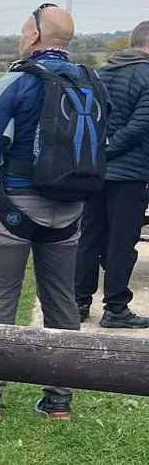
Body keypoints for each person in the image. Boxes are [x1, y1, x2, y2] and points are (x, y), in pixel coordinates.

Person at [0, 4, 95, 421]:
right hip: (70, 214)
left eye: (23, 30)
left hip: (16, 208)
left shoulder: (18, 80)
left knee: (0, 306)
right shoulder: (91, 82)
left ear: (35, 35)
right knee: (62, 305)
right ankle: (59, 400)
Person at [74, 20, 149, 329]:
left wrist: (100, 152)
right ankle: (116, 307)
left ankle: (78, 302)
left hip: (96, 172)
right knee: (121, 242)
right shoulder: (147, 76)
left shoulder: (101, 74)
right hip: (129, 173)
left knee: (89, 237)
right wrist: (111, 150)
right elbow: (140, 125)